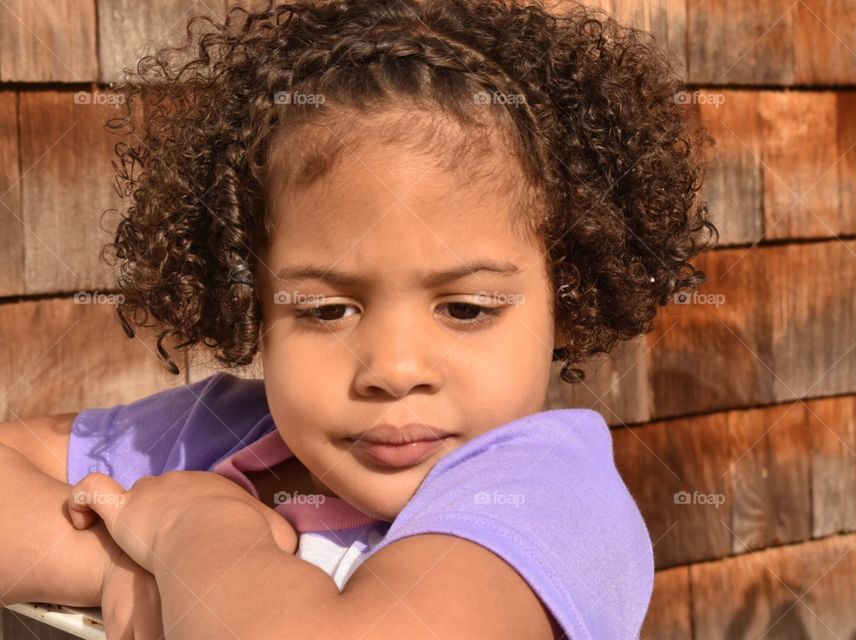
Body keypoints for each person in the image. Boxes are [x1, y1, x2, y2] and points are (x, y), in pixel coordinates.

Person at [0, 0, 717, 637]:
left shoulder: (549, 496)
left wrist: (194, 533)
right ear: (248, 295)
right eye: (327, 309)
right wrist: (110, 562)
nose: (394, 368)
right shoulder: (226, 434)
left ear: (569, 292)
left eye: (466, 308)